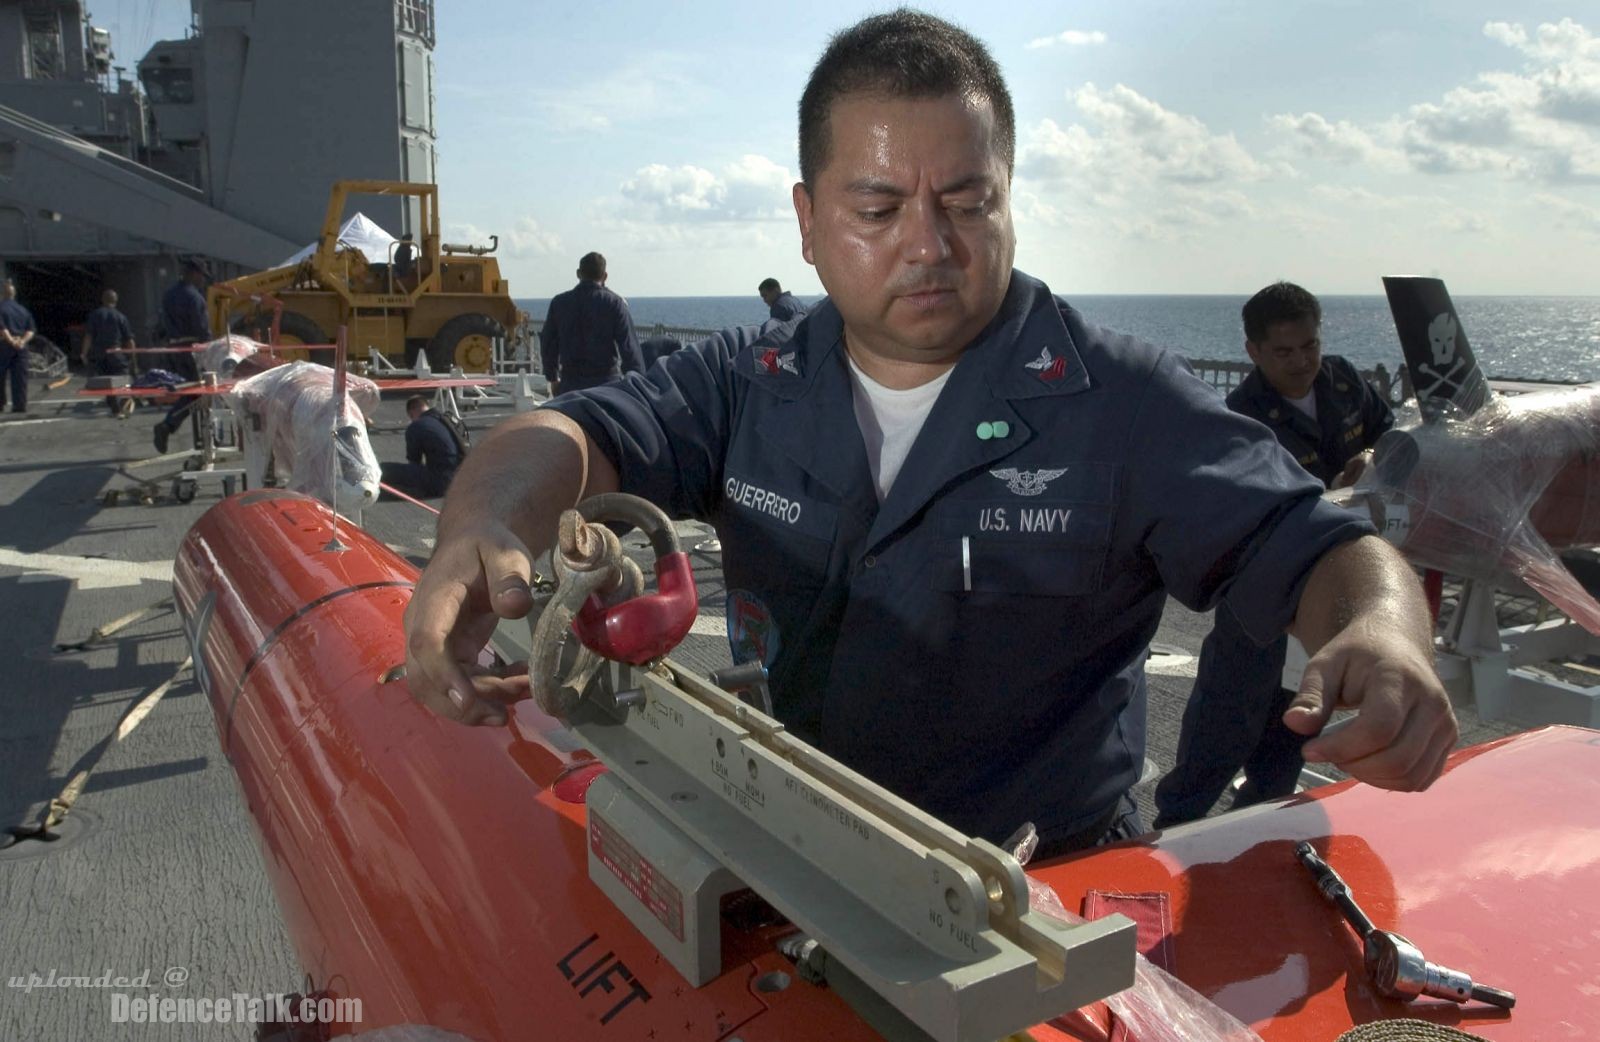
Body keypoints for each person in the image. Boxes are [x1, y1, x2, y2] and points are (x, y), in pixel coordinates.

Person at [404, 10, 1455, 860]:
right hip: (778, 857)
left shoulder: (1120, 402)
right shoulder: (747, 378)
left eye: (965, 200)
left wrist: (1385, 635)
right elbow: (572, 432)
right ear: (808, 219)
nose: (928, 244)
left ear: (1008, 204)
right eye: (877, 208)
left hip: (1038, 902)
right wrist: (483, 524)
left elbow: (1321, 547)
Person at [1153, 282, 1396, 827]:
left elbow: (1392, 434)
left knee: (1295, 730)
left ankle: (1259, 834)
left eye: (1309, 345)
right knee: (1223, 727)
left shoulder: (1344, 382)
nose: (1302, 362)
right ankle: (1170, 837)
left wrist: (1375, 454)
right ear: (1254, 352)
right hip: (1262, 599)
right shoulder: (1242, 417)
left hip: (1331, 588)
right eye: (1284, 352)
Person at [537, 252, 644, 394]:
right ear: (605, 276)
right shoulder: (615, 303)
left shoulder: (559, 303)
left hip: (570, 385)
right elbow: (629, 349)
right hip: (607, 385)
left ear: (578, 274)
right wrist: (636, 383)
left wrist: (553, 377)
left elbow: (548, 343)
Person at [152, 259, 211, 453]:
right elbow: (201, 329)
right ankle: (168, 425)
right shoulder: (194, 297)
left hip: (174, 350)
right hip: (191, 351)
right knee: (198, 393)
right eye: (202, 275)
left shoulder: (168, 295)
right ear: (194, 274)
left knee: (191, 391)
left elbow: (161, 326)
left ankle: (200, 434)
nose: (203, 280)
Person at [380, 395, 461, 499]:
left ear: (412, 412)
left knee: (383, 469)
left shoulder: (417, 426)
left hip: (441, 482)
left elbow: (414, 460)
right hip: (460, 479)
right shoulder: (447, 419)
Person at [80, 289, 137, 417]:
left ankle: (115, 408)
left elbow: (88, 336)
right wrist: (132, 357)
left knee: (107, 383)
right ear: (116, 301)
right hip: (116, 353)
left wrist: (84, 353)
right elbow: (129, 339)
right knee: (123, 379)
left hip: (99, 354)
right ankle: (124, 403)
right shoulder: (121, 317)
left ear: (103, 300)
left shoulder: (95, 315)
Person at [0, 278, 35, 415]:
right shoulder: (23, 310)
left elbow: (2, 327)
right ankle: (19, 405)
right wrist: (21, 341)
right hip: (21, 347)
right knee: (20, 377)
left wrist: (10, 341)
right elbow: (31, 330)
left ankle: (1, 403)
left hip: (3, 345)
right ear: (14, 295)